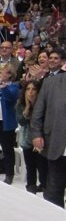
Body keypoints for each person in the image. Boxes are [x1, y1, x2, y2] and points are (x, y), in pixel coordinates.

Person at [31, 69, 66, 208]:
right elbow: (38, 112)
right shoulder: (51, 82)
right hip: (56, 146)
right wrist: (36, 134)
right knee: (53, 194)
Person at [16, 80, 48, 194]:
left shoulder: (44, 105)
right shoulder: (20, 105)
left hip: (41, 142)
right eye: (28, 89)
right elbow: (21, 122)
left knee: (43, 169)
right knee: (30, 169)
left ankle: (46, 190)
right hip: (27, 142)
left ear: (38, 91)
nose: (31, 92)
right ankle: (31, 191)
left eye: (33, 89)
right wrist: (28, 107)